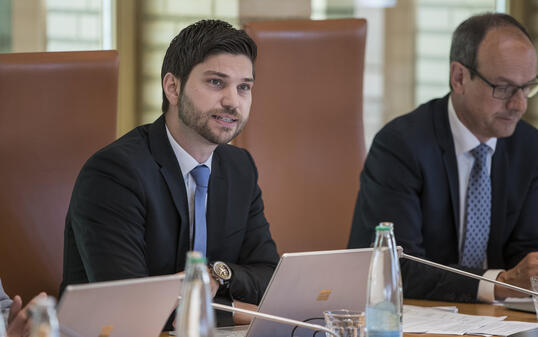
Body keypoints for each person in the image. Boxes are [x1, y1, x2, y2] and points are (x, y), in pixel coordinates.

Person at [60, 19, 280, 326]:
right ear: (172, 88)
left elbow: (269, 277)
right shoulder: (114, 174)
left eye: (244, 87)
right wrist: (250, 313)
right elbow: (131, 305)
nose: (233, 101)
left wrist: (217, 273)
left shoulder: (239, 168)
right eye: (216, 82)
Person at [348, 13, 538, 303]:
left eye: (527, 87)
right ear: (459, 77)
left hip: (502, 322)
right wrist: (498, 283)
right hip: (414, 318)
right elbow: (394, 264)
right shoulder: (401, 145)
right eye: (504, 88)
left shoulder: (530, 147)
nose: (519, 104)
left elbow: (525, 256)